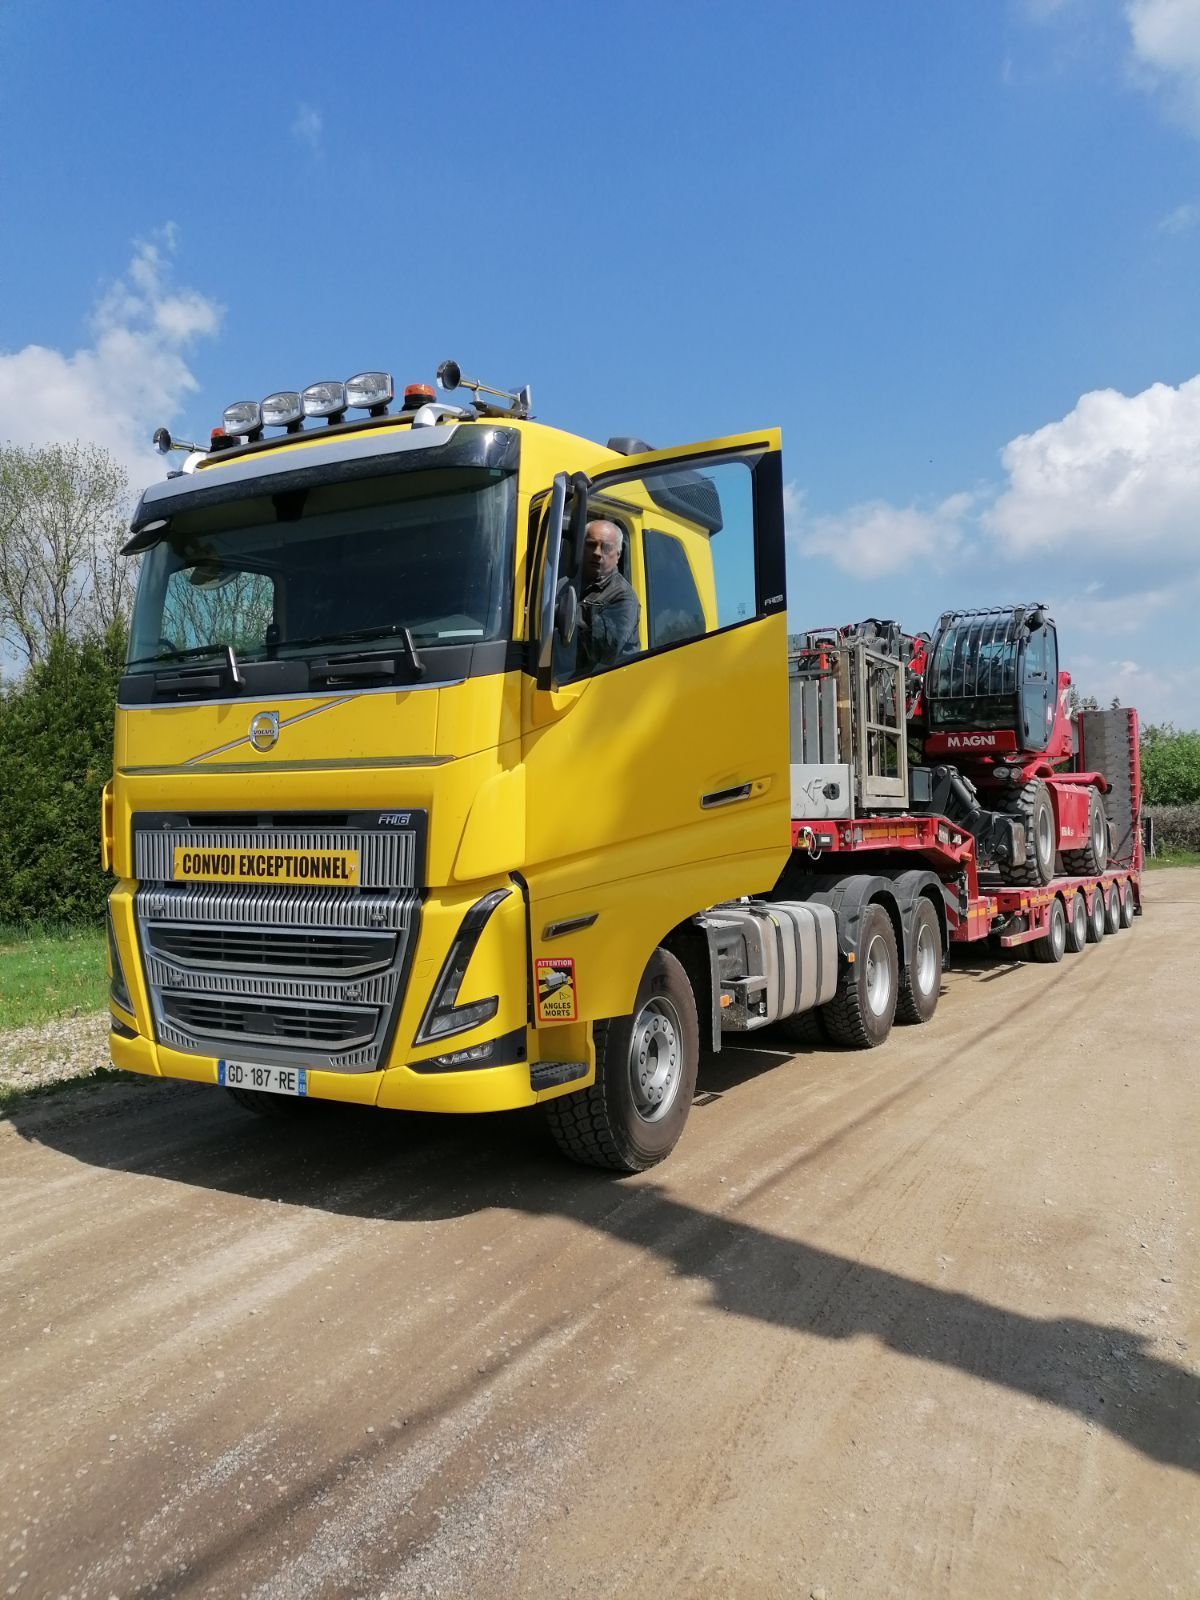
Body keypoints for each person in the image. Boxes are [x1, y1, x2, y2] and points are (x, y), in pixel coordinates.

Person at [575, 518, 640, 674]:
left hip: (600, 686)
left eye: (606, 547)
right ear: (581, 547)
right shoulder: (564, 584)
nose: (597, 553)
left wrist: (568, 613)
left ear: (618, 555)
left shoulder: (624, 596)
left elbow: (604, 651)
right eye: (591, 545)